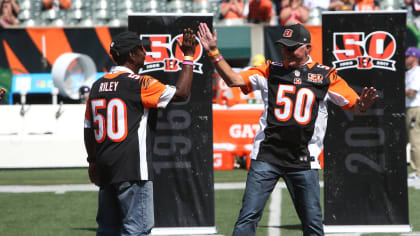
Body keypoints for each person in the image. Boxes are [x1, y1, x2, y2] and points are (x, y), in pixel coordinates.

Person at [198, 22, 378, 236]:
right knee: (248, 217)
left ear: (307, 48)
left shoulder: (325, 75)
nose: (286, 51)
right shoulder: (270, 70)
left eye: (292, 47)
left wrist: (363, 106)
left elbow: (354, 106)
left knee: (312, 223)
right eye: (284, 46)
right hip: (267, 155)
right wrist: (212, 52)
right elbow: (234, 80)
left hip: (303, 158)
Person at [84, 29, 197, 235]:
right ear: (131, 55)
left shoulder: (97, 86)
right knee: (137, 230)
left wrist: (92, 161)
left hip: (105, 167)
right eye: (141, 49)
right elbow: (181, 94)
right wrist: (188, 56)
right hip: (132, 169)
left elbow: (88, 129)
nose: (145, 53)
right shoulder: (140, 83)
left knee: (108, 230)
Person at [405, 46, 420, 180]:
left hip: (415, 108)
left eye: (407, 56)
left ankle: (418, 171)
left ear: (414, 57)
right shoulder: (410, 72)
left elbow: (411, 93)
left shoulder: (416, 72)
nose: (405, 59)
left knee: (415, 141)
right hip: (412, 108)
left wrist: (398, 88)